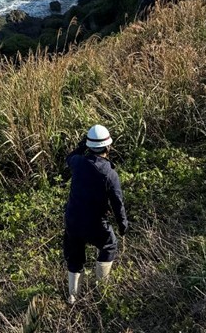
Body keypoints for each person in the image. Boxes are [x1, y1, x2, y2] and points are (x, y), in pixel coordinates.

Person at [63, 123, 129, 304]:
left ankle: (72, 296)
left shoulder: (77, 163)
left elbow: (70, 157)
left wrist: (82, 145)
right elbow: (117, 202)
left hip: (73, 220)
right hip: (95, 223)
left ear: (89, 146)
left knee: (75, 257)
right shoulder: (110, 173)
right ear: (108, 146)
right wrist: (123, 225)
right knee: (109, 245)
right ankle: (101, 290)